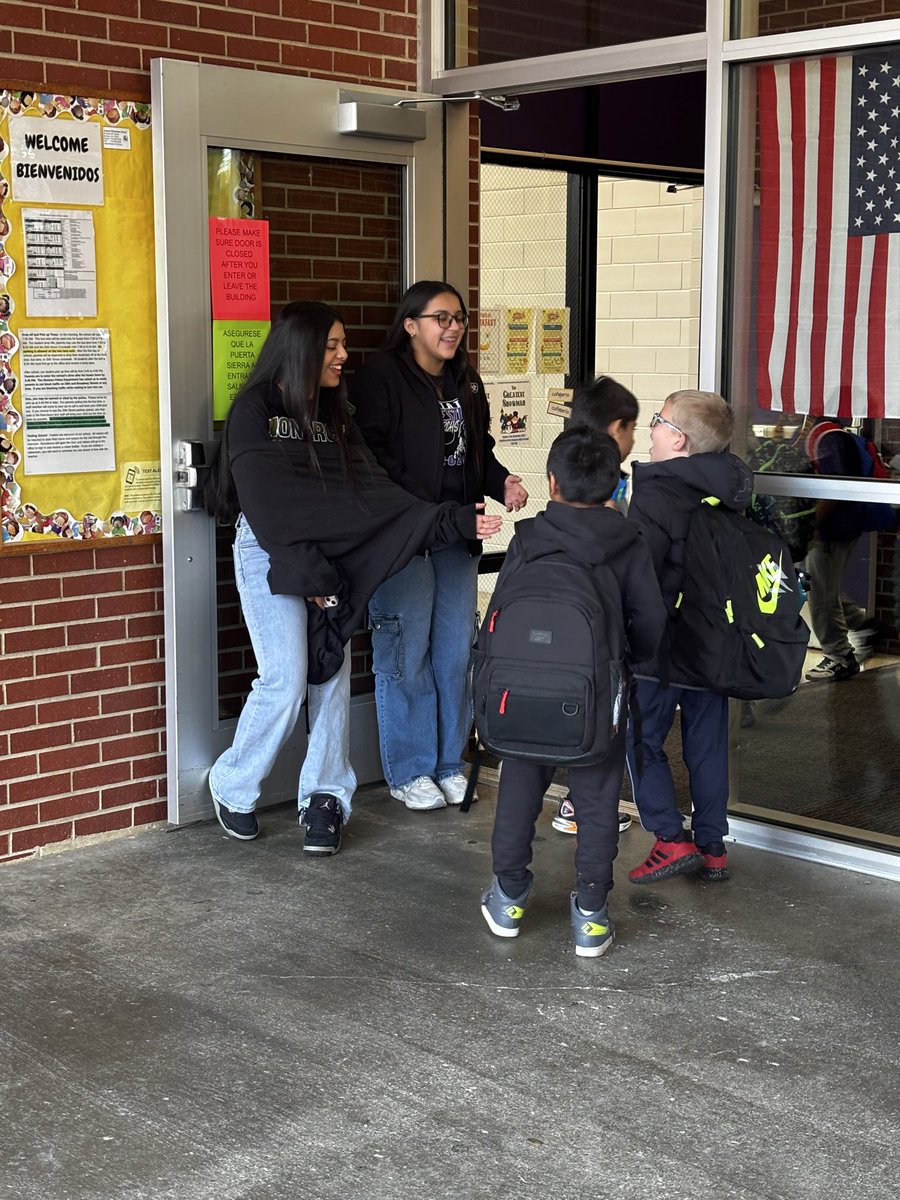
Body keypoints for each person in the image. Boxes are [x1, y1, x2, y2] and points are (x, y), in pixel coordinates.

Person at [204, 300, 501, 853]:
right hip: (270, 554)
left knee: (331, 672)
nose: (344, 356)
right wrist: (310, 573)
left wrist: (451, 520)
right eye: (333, 346)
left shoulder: (334, 414)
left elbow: (372, 491)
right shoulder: (255, 409)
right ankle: (232, 783)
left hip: (332, 557)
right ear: (301, 348)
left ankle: (325, 796)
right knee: (287, 677)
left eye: (342, 345)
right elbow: (269, 507)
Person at [480, 427, 665, 956]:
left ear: (551, 481)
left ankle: (510, 897)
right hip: (596, 696)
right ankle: (590, 913)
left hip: (520, 693)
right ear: (614, 486)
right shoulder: (628, 542)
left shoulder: (527, 537)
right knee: (598, 800)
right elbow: (649, 621)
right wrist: (630, 662)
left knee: (519, 787)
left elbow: (499, 617)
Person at [350, 280, 528, 811]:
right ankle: (409, 769)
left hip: (456, 538)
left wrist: (502, 482)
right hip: (403, 539)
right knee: (408, 653)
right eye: (440, 318)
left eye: (458, 319)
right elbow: (374, 466)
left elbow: (479, 453)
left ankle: (450, 762)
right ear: (411, 325)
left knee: (455, 653)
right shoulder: (380, 379)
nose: (453, 328)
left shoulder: (466, 381)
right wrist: (436, 517)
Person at [625, 389, 753, 885]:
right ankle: (712, 846)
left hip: (663, 643)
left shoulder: (657, 490)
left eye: (656, 420)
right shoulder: (733, 487)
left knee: (641, 738)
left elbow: (644, 575)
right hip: (715, 639)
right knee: (705, 741)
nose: (650, 428)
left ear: (676, 439)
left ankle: (667, 837)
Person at [552, 374, 639, 839]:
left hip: (568, 629)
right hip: (601, 628)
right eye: (632, 430)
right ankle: (577, 805)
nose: (633, 441)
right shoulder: (608, 493)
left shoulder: (566, 474)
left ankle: (571, 801)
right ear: (616, 428)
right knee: (602, 715)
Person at [802, 417, 891, 680]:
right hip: (844, 526)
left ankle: (839, 655)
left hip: (831, 530)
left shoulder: (827, 438)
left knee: (819, 593)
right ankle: (862, 625)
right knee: (823, 586)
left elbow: (833, 486)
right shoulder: (838, 436)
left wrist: (813, 524)